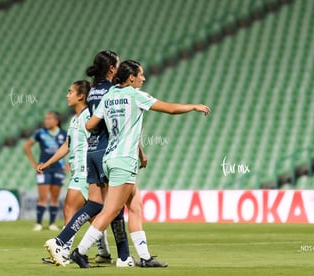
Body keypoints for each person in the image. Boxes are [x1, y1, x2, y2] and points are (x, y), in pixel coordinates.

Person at [71, 60, 210, 268]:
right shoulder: (135, 95)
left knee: (135, 205)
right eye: (141, 75)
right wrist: (193, 106)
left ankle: (144, 257)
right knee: (110, 211)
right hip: (124, 160)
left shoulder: (109, 96)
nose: (143, 78)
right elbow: (169, 109)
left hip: (109, 157)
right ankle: (80, 252)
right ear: (131, 77)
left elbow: (90, 125)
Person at [43, 51, 135, 267]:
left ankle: (112, 254)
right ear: (112, 69)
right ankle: (64, 244)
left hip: (92, 153)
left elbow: (88, 127)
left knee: (100, 206)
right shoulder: (113, 91)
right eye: (118, 65)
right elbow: (116, 123)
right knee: (107, 206)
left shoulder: (93, 91)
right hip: (107, 151)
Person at [38, 80, 111, 265]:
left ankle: (62, 250)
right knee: (92, 215)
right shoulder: (75, 119)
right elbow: (68, 145)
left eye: (70, 91)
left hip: (86, 170)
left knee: (70, 208)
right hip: (79, 170)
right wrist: (48, 163)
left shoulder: (90, 116)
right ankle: (104, 252)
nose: (67, 95)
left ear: (81, 96)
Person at [24, 111, 67, 231]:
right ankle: (38, 223)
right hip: (43, 169)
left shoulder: (64, 134)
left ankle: (52, 223)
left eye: (49, 119)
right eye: (46, 119)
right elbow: (27, 146)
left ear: (56, 121)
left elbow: (73, 148)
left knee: (54, 197)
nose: (46, 121)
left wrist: (69, 165)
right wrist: (34, 164)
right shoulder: (40, 133)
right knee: (42, 196)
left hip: (58, 168)